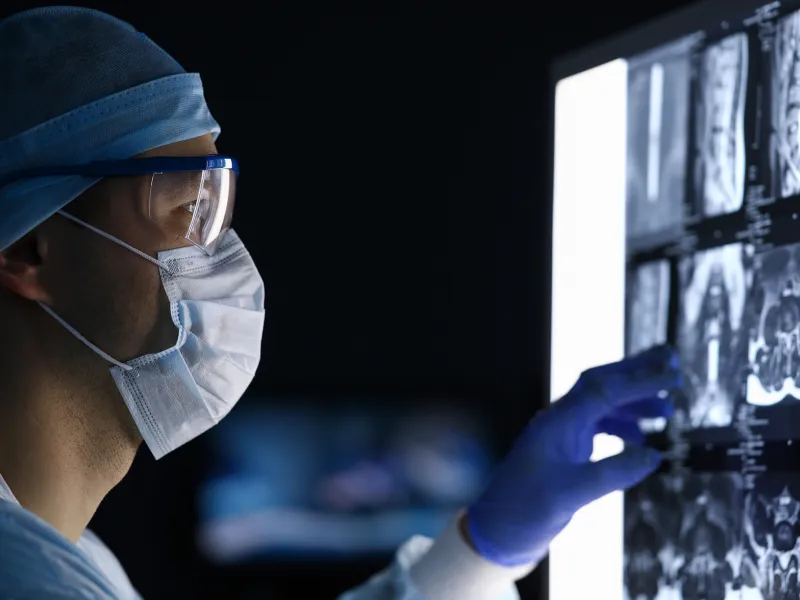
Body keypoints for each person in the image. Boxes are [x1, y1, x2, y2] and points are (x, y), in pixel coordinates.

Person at [0, 7, 681, 600]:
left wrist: (480, 548)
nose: (222, 258)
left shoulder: (68, 555)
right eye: (187, 210)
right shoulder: (28, 580)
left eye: (220, 210)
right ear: (30, 250)